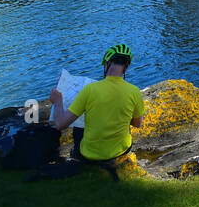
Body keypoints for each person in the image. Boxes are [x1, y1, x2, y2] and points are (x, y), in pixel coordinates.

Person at [49, 43, 146, 178]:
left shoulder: (90, 90)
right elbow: (137, 124)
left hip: (90, 154)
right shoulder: (134, 91)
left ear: (106, 64)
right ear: (126, 67)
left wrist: (58, 101)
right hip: (121, 150)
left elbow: (60, 124)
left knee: (78, 128)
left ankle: (78, 157)